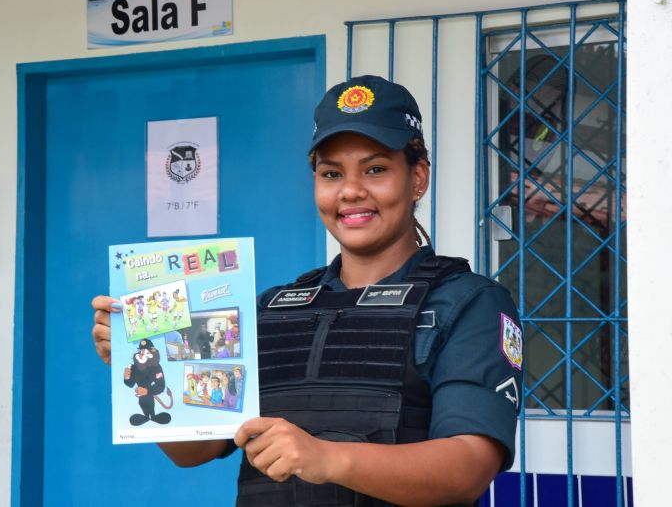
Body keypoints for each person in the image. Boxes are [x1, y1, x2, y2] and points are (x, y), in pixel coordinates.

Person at [92, 75, 523, 506]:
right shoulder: (270, 309)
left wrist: (327, 458)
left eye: (376, 169)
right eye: (331, 173)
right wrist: (141, 360)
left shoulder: (468, 303)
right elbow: (196, 450)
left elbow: (468, 466)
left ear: (418, 178)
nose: (351, 191)